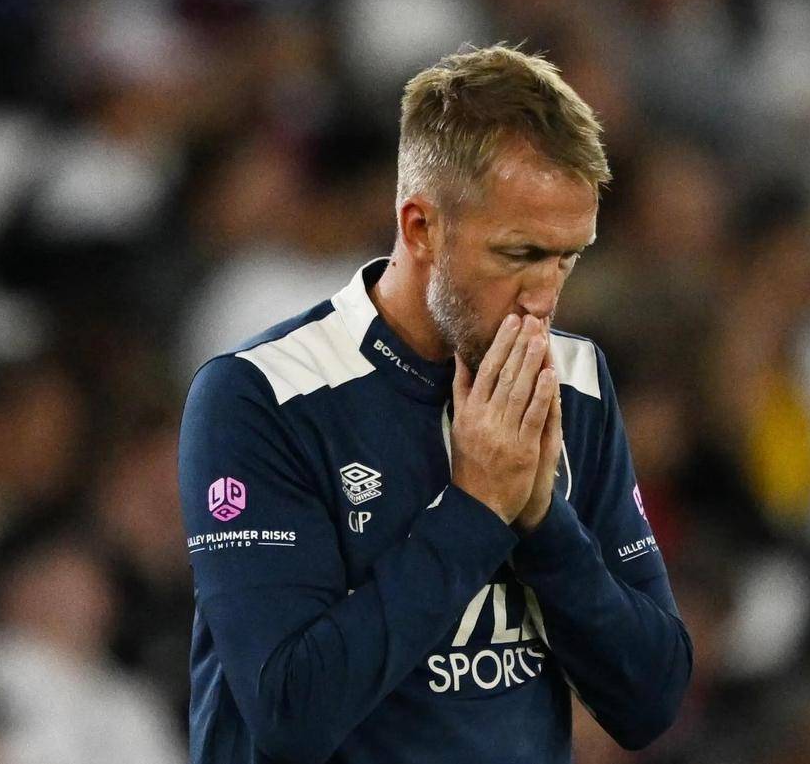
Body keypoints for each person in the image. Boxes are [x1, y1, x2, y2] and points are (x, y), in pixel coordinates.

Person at [177, 44, 693, 764]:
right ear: (421, 227)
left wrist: (544, 522)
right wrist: (476, 508)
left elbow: (650, 700)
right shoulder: (263, 394)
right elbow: (290, 713)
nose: (545, 298)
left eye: (568, 257)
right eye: (519, 254)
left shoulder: (572, 378)